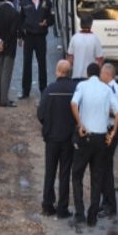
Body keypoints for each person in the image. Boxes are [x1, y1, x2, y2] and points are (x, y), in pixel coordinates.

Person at [70, 63, 118, 226]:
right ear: (99, 73)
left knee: (77, 174)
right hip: (101, 138)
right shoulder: (106, 89)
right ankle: (92, 215)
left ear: (86, 73)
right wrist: (113, 133)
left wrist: (80, 124)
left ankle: (79, 213)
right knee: (97, 177)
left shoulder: (82, 85)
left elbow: (73, 104)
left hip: (86, 136)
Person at [37, 60, 77, 218]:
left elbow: (41, 114)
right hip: (68, 138)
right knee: (65, 173)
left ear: (58, 71)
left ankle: (47, 204)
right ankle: (62, 208)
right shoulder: (75, 90)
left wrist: (48, 127)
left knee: (50, 171)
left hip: (52, 138)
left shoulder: (49, 90)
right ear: (69, 72)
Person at [19, 0, 54, 98]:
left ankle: (43, 89)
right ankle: (25, 90)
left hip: (40, 37)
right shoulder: (24, 1)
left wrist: (47, 22)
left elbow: (52, 18)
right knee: (26, 64)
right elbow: (20, 19)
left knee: (42, 63)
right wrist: (20, 36)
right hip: (28, 37)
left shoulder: (46, 1)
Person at [99, 63, 118, 218]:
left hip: (110, 131)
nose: (100, 76)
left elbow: (117, 113)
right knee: (104, 168)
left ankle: (110, 205)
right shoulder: (112, 88)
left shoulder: (112, 89)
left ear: (108, 75)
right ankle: (106, 202)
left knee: (106, 170)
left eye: (101, 73)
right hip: (109, 131)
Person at [0, 0, 21, 107]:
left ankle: (0, 98)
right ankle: (4, 100)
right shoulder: (15, 13)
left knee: (0, 71)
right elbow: (13, 32)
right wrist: (5, 42)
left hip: (0, 46)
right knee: (6, 73)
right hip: (9, 47)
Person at [67, 14, 103, 79]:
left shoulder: (74, 38)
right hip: (90, 77)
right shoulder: (95, 39)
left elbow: (70, 58)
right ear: (91, 24)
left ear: (80, 24)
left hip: (76, 76)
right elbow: (99, 60)